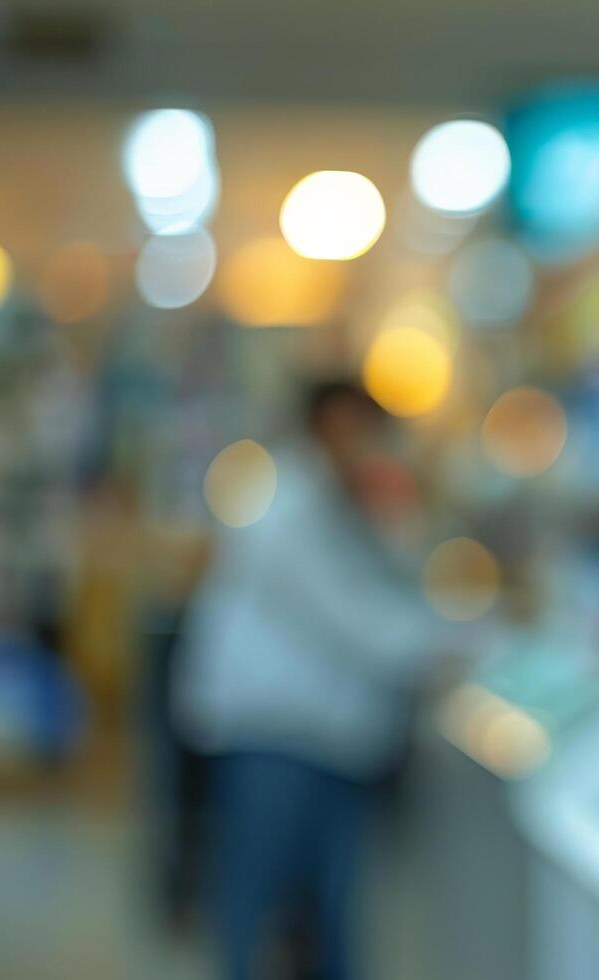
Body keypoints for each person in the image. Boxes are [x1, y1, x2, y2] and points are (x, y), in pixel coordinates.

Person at [175, 379, 454, 980]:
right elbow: (354, 620)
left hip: (331, 740)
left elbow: (393, 588)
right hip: (277, 733)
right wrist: (455, 645)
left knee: (330, 910)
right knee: (257, 897)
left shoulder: (335, 502)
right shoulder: (285, 507)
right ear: (329, 427)